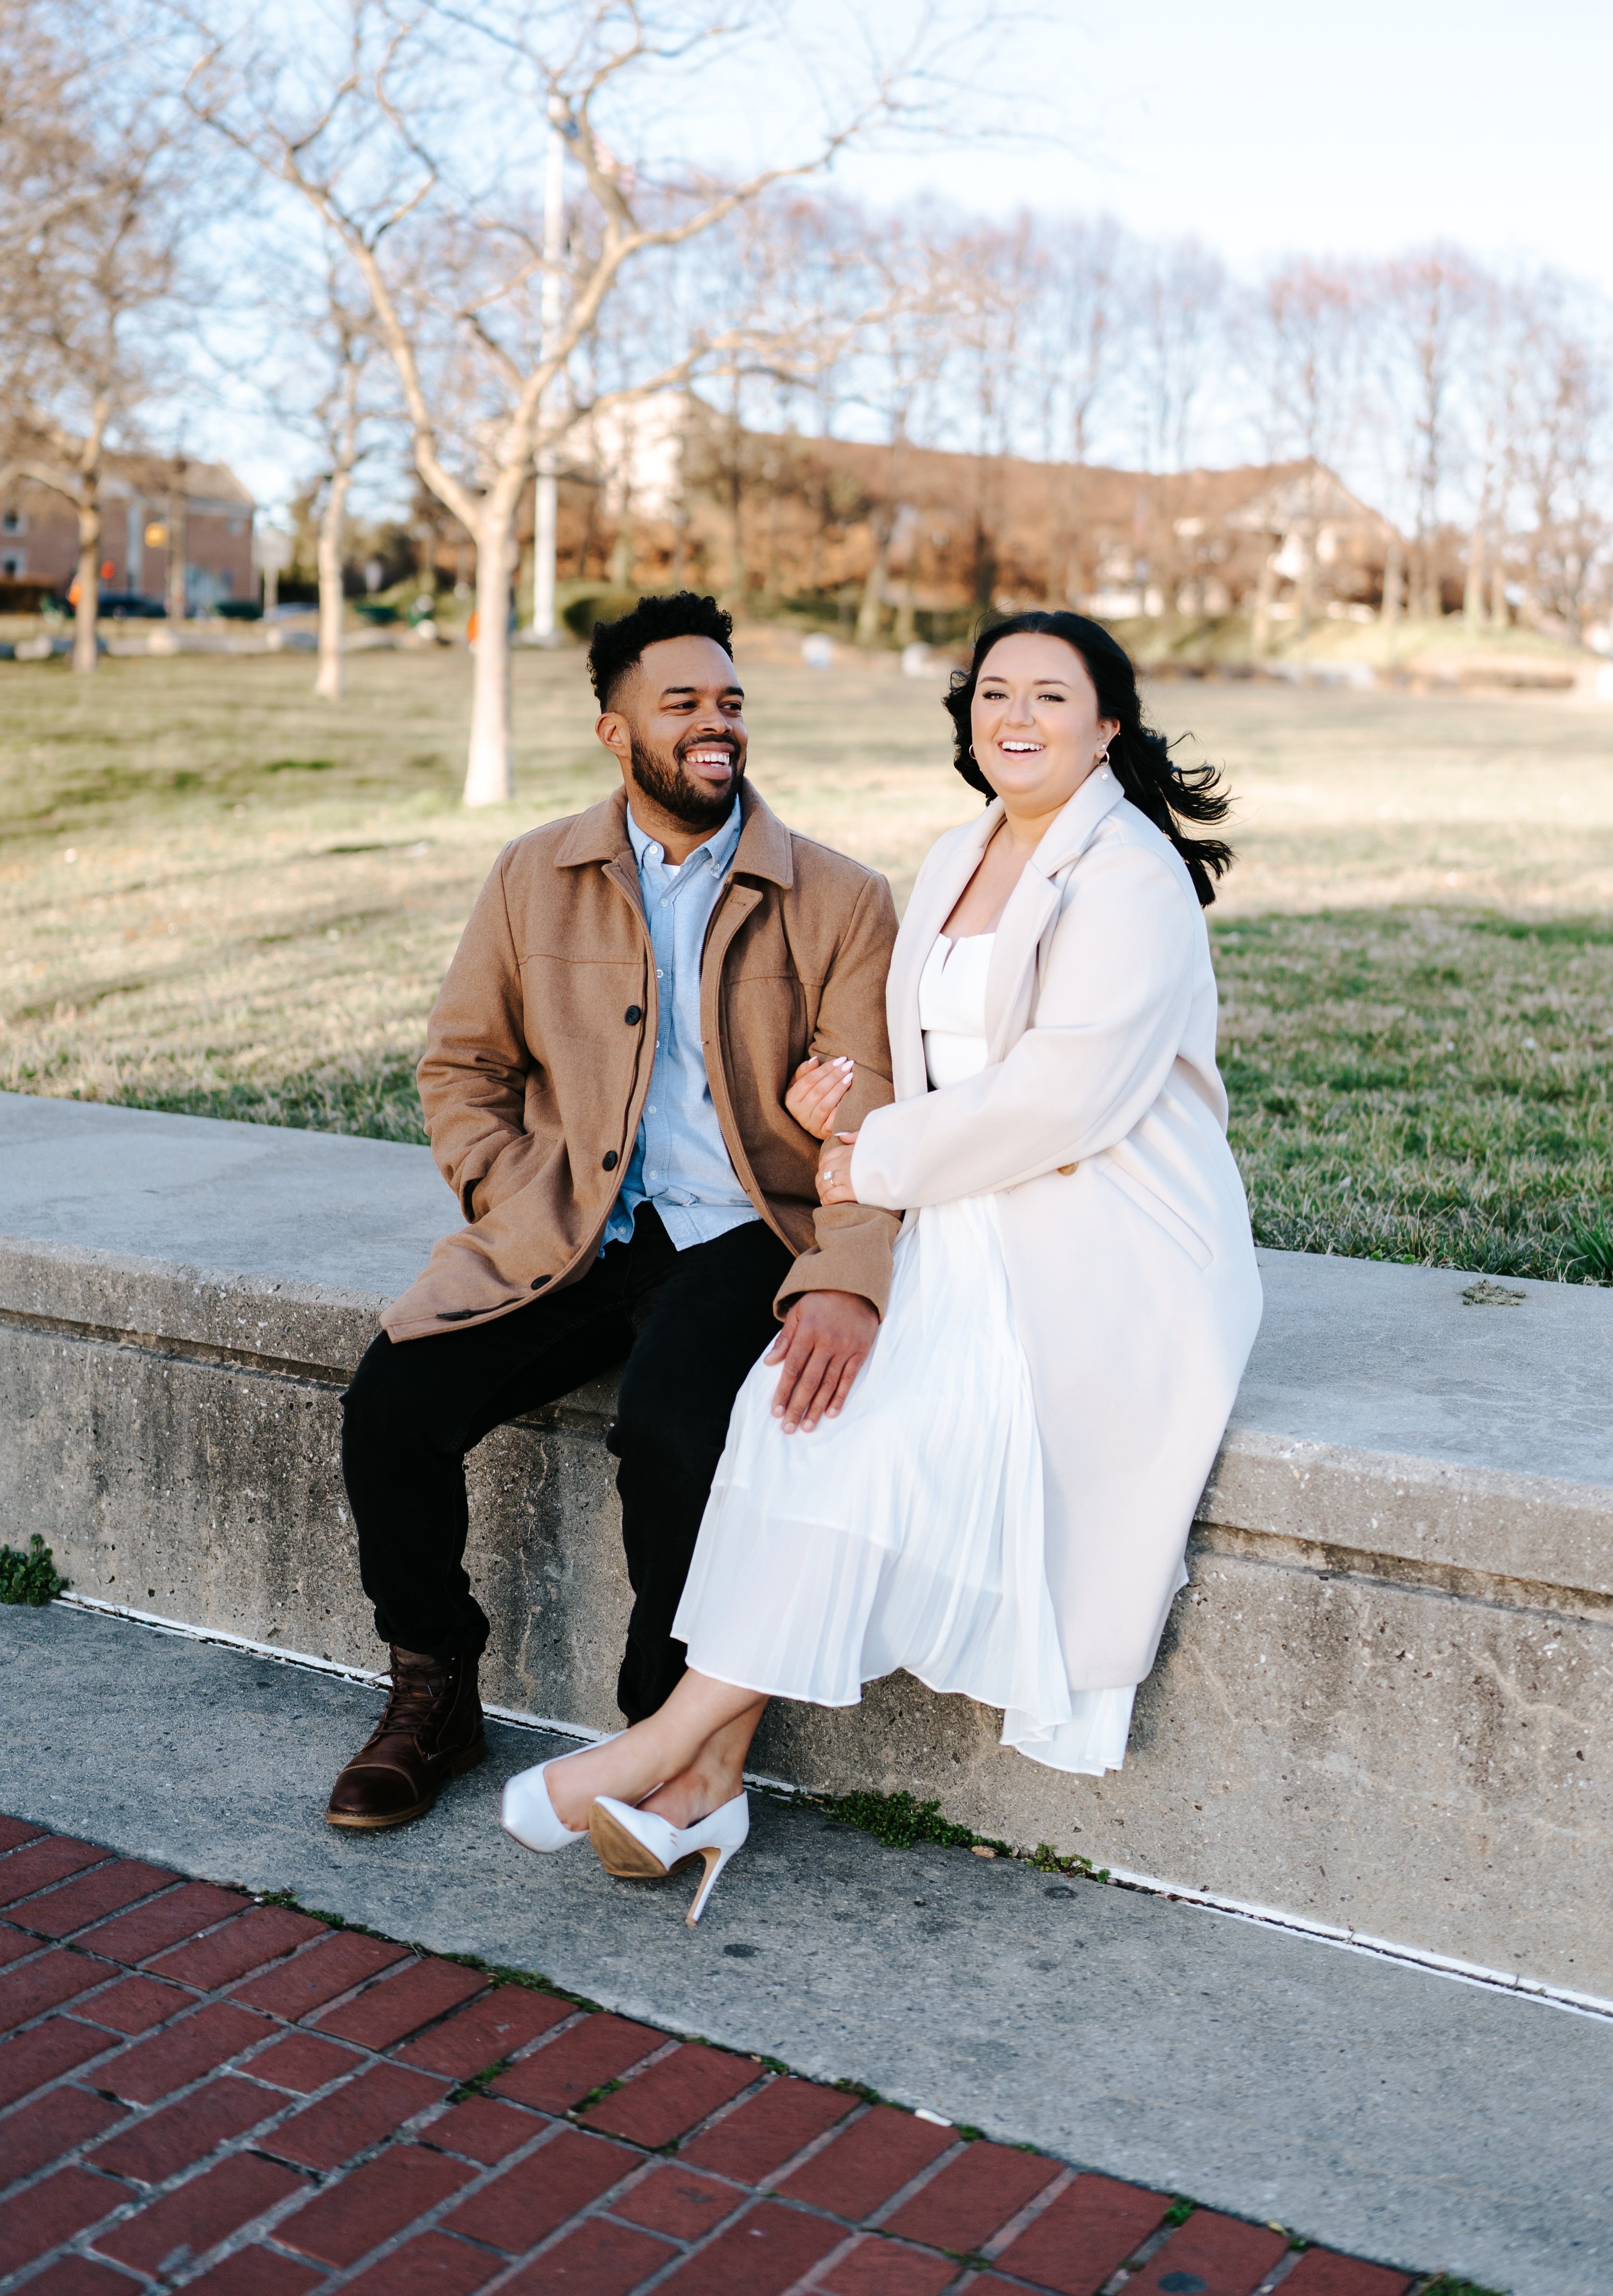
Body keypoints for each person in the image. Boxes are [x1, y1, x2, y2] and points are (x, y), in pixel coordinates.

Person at [502, 609, 1264, 1922]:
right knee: (782, 1416)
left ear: (1108, 729)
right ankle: (708, 1787)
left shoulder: (1128, 877)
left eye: (1050, 696)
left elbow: (1064, 1098)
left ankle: (656, 1751)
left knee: (878, 1439)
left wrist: (870, 1162)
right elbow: (912, 1070)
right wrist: (840, 1113)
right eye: (993, 693)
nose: (1014, 715)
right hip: (966, 1210)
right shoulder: (963, 848)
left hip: (1104, 1243)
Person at [325, 591, 900, 1832]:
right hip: (568, 1227)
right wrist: (504, 1185)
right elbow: (460, 1066)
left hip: (748, 1230)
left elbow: (870, 1128)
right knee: (392, 1402)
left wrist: (848, 1278)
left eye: (731, 703)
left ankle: (655, 1736)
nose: (716, 726)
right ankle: (434, 1689)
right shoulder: (534, 875)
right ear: (612, 729)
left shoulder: (842, 900)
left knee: (677, 1432)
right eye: (682, 703)